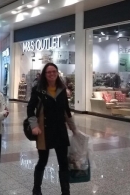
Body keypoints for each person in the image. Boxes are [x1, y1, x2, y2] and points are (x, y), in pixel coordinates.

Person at [27, 63, 77, 195]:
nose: (51, 74)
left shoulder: (61, 89)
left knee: (63, 162)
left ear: (57, 73)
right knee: (42, 161)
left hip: (60, 130)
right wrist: (34, 126)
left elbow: (66, 110)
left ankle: (65, 191)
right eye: (48, 72)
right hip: (44, 130)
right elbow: (30, 109)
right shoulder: (38, 89)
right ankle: (36, 189)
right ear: (44, 74)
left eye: (54, 71)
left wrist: (74, 129)